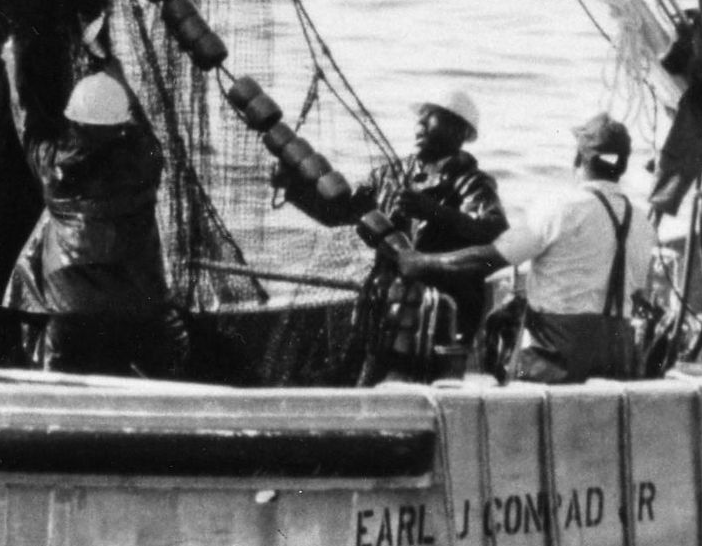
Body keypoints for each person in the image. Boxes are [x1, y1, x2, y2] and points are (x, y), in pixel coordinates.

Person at [389, 113, 659, 384]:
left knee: (503, 357)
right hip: (618, 359)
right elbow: (633, 289)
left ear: (579, 158)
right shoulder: (642, 223)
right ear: (623, 165)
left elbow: (490, 259)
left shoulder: (561, 208)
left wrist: (420, 262)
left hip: (557, 359)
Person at [276, 90, 506, 381]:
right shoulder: (388, 175)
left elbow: (493, 230)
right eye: (419, 119)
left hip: (439, 309)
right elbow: (341, 213)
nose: (420, 125)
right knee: (368, 372)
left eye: (430, 119)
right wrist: (294, 189)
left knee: (424, 379)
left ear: (459, 131)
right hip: (385, 302)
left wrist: (434, 211)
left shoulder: (472, 183)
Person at [1, 34, 188, 379]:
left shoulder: (52, 167)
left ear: (73, 121)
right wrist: (108, 64)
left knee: (57, 380)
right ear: (121, 125)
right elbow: (140, 121)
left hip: (70, 315)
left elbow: (25, 119)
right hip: (141, 312)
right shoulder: (147, 160)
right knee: (164, 362)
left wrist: (13, 63)